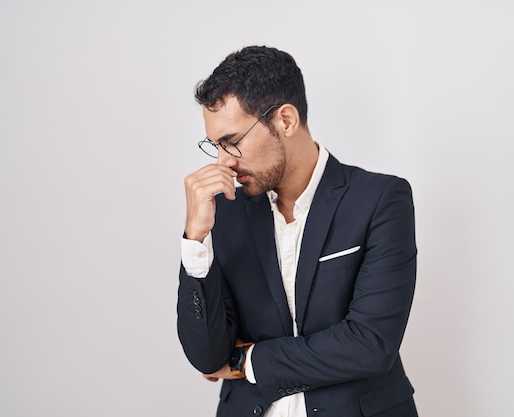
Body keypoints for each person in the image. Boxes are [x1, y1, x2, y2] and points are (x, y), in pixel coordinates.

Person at [177, 45, 418, 417]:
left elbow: (370, 345)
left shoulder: (380, 199)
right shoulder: (224, 213)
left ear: (285, 121)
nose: (223, 162)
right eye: (216, 146)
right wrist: (195, 239)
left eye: (233, 142)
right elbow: (208, 358)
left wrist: (247, 360)